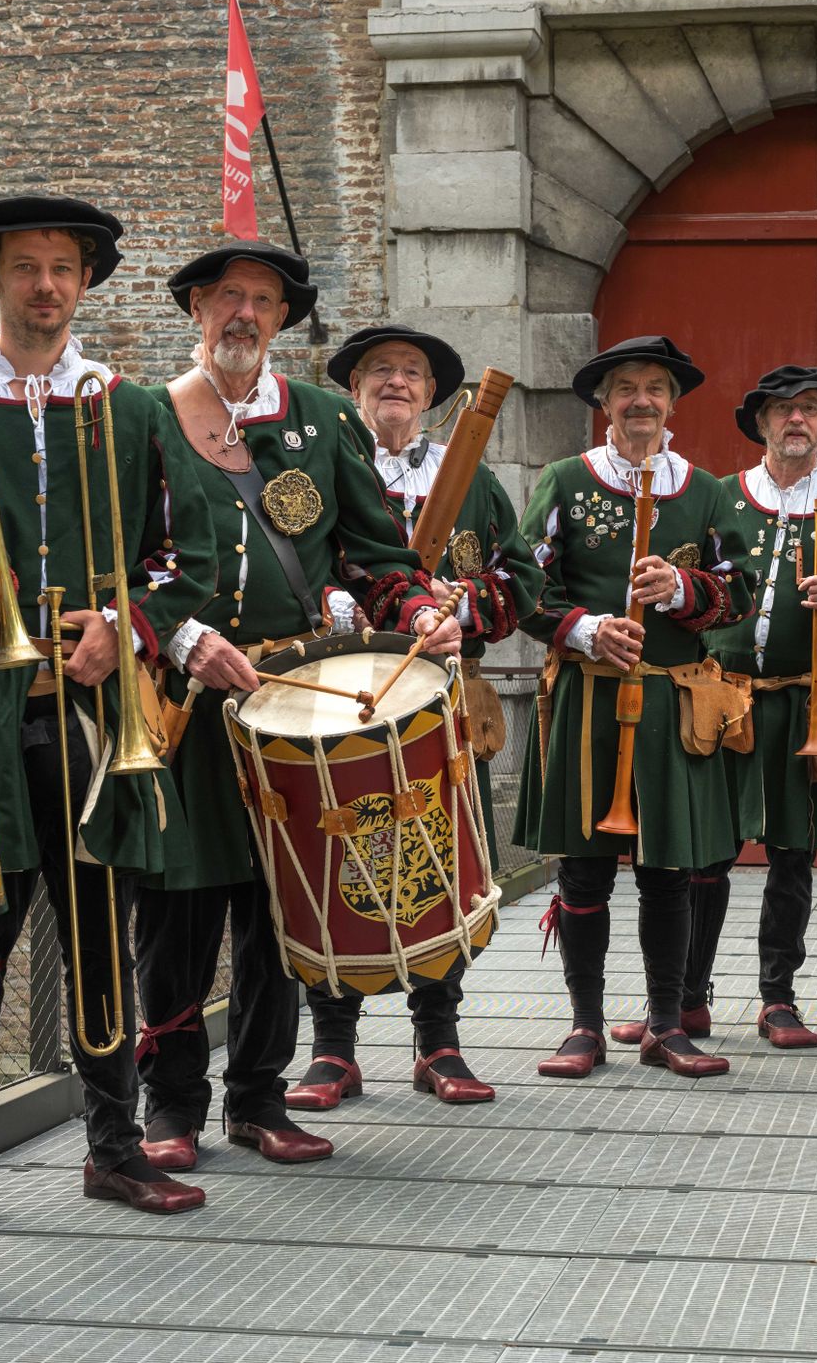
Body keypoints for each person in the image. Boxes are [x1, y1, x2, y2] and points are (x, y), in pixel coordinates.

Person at [0, 196, 214, 1234]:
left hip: (93, 716)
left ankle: (112, 1146)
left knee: (98, 939)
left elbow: (182, 558)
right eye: (27, 266)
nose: (46, 285)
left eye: (64, 268)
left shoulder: (124, 407)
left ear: (86, 282)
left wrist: (121, 626)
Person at [134, 243, 461, 1167]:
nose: (244, 314)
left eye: (264, 301)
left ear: (283, 319)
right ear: (196, 308)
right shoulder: (147, 415)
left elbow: (379, 555)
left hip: (298, 705)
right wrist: (184, 634)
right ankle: (169, 1107)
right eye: (228, 297)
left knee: (281, 911)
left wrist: (425, 609)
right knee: (179, 914)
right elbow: (118, 558)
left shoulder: (320, 418)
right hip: (186, 709)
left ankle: (259, 1098)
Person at [282, 324, 543, 1110]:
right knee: (335, 856)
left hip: (438, 700)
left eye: (412, 374)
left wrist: (471, 611)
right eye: (379, 371)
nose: (396, 383)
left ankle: (440, 1042)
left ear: (433, 396)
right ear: (353, 388)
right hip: (341, 694)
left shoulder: (474, 484)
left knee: (445, 857)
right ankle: (333, 1051)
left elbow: (522, 579)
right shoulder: (324, 465)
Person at [612, 365, 817, 1051]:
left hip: (808, 705)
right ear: (761, 423)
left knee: (794, 855)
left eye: (810, 411)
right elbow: (696, 579)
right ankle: (683, 999)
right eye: (782, 410)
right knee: (703, 854)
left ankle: (778, 999)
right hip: (718, 701)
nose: (796, 420)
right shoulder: (720, 499)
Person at [515, 335, 753, 1080]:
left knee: (669, 872)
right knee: (583, 873)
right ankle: (584, 1025)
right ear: (603, 403)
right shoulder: (564, 479)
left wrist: (684, 593)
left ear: (673, 402)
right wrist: (583, 629)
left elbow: (740, 591)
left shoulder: (707, 492)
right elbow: (522, 585)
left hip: (672, 702)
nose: (641, 400)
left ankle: (664, 1023)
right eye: (626, 389)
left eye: (655, 388)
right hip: (589, 695)